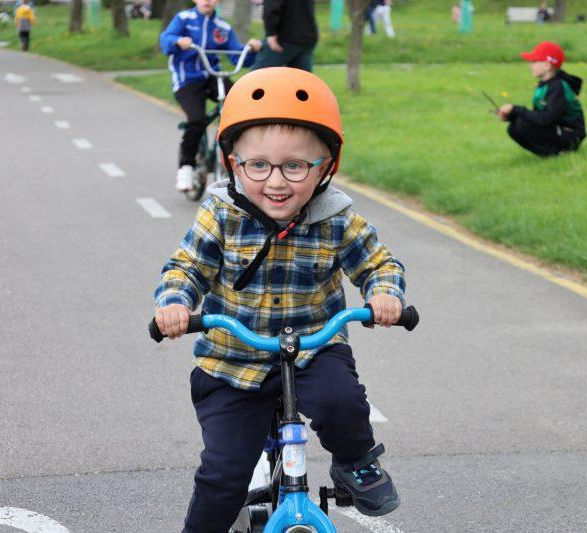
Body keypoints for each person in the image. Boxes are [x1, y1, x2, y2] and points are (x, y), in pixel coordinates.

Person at [153, 66, 407, 531]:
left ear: (326, 166)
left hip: (313, 349)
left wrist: (383, 294)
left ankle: (354, 462)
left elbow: (379, 264)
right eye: (258, 165)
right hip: (232, 362)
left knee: (342, 403)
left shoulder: (336, 219)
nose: (276, 182)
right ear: (233, 164)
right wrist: (175, 304)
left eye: (295, 166)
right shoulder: (223, 216)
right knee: (223, 476)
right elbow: (186, 268)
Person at [160, 0, 262, 192]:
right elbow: (166, 41)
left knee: (242, 105)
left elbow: (236, 55)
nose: (207, 0)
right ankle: (186, 167)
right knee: (196, 120)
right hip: (187, 79)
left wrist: (250, 49)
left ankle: (241, 158)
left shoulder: (222, 27)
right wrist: (177, 41)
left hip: (212, 76)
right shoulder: (183, 19)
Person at [496, 41, 586, 157]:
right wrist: (511, 116)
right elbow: (537, 116)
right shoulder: (544, 85)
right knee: (514, 127)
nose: (530, 65)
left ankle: (559, 153)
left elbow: (547, 119)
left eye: (534, 62)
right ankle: (548, 156)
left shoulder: (558, 87)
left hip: (571, 135)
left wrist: (516, 109)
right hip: (556, 129)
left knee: (523, 124)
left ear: (547, 65)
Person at [251, 0, 318, 72]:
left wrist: (271, 33)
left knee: (256, 77)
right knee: (302, 80)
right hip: (307, 34)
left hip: (284, 37)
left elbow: (272, 6)